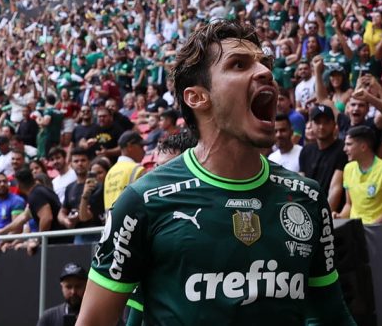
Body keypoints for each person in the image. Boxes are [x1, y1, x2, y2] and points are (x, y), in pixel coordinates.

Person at [78, 21, 354, 324]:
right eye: (238, 64)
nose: (264, 72)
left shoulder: (307, 198)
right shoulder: (142, 203)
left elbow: (331, 317)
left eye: (264, 63)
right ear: (197, 97)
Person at [336, 126, 382, 224]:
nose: (344, 149)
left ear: (363, 147)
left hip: (381, 233)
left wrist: (373, 226)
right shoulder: (348, 169)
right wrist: (340, 217)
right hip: (357, 232)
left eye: (349, 144)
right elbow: (349, 204)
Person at [299, 105, 348, 212]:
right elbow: (302, 185)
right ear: (310, 125)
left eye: (326, 122)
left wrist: (325, 218)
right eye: (317, 122)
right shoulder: (306, 151)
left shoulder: (343, 149)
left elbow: (336, 188)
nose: (321, 126)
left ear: (334, 125)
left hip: (334, 215)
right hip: (309, 210)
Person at [103, 131, 146, 210]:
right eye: (141, 146)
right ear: (130, 146)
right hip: (131, 220)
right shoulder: (137, 169)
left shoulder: (110, 172)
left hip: (110, 220)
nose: (144, 151)